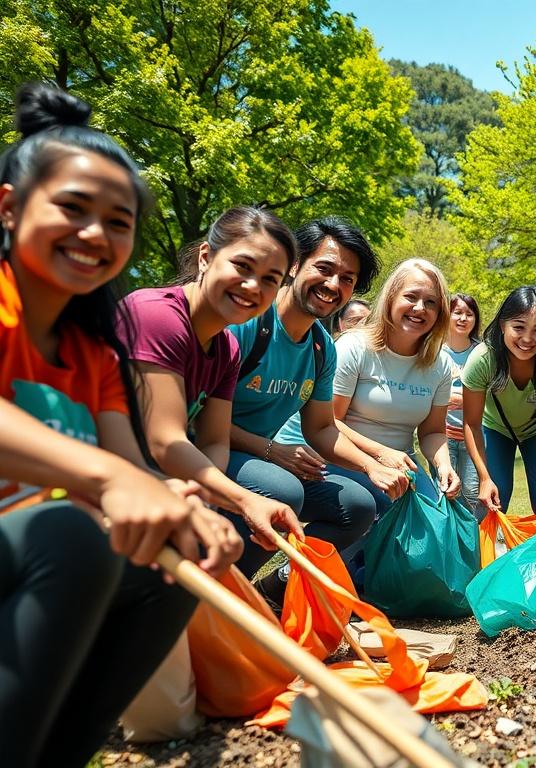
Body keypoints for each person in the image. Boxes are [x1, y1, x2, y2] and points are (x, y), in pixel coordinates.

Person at [0, 83, 241, 767]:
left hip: (35, 561)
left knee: (176, 562)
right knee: (69, 534)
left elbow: (131, 462)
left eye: (118, 221)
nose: (95, 235)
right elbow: (110, 472)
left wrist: (174, 502)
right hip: (40, 549)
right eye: (73, 209)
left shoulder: (93, 352)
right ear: (10, 207)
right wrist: (105, 479)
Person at [120, 206, 308, 569]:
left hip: (157, 479)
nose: (253, 286)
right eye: (242, 266)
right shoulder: (157, 316)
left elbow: (214, 440)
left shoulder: (228, 348)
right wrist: (241, 500)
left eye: (271, 279)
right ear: (206, 257)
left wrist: (205, 497)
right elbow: (165, 440)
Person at [225, 217, 388, 607]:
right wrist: (272, 451)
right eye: (325, 268)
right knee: (284, 489)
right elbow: (198, 419)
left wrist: (370, 466)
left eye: (347, 279)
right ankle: (226, 594)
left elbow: (321, 429)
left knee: (358, 505)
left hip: (261, 457)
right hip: (209, 451)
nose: (334, 285)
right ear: (294, 264)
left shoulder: (321, 348)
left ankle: (271, 592)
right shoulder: (249, 322)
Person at [313, 258, 460, 517]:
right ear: (391, 298)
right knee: (383, 513)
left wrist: (444, 465)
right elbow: (329, 421)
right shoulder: (354, 347)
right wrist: (380, 455)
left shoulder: (441, 363)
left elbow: (432, 432)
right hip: (346, 460)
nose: (419, 308)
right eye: (411, 296)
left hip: (403, 465)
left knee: (439, 520)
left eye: (431, 303)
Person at [462, 286, 536, 516]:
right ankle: (483, 551)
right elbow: (471, 423)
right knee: (493, 501)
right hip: (495, 429)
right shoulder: (482, 360)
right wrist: (484, 478)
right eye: (518, 327)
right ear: (503, 324)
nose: (528, 339)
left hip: (535, 433)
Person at [443, 293, 485, 518]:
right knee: (447, 491)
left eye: (469, 314)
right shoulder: (436, 351)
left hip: (474, 435)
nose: (463, 318)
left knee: (471, 492)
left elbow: (491, 392)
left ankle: (475, 542)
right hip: (442, 436)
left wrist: (458, 396)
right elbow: (431, 393)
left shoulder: (482, 353)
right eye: (457, 312)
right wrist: (469, 395)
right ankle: (452, 542)